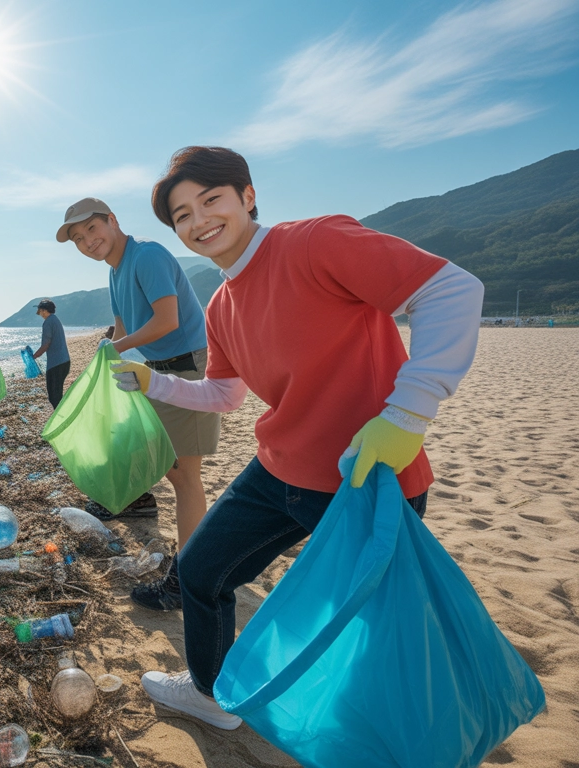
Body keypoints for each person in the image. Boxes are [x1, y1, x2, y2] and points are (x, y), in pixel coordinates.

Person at [110, 146, 482, 730]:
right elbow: (224, 396)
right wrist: (153, 383)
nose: (199, 220)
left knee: (372, 625)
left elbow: (451, 291)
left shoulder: (314, 242)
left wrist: (409, 414)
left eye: (211, 200)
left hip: (368, 475)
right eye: (182, 215)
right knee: (202, 572)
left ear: (247, 196)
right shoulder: (222, 305)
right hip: (279, 470)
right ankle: (211, 695)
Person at [58, 197, 219, 603]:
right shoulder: (115, 271)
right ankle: (144, 508)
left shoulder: (146, 255)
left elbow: (168, 321)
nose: (88, 241)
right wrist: (104, 357)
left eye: (92, 229)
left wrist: (112, 350)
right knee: (165, 464)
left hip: (187, 367)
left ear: (112, 221)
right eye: (78, 238)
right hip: (156, 370)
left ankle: (190, 578)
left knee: (186, 477)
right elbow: (122, 329)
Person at [28, 299, 71, 408]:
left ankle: (61, 419)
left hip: (56, 364)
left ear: (44, 310)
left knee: (54, 396)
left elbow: (46, 344)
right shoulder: (55, 320)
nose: (40, 313)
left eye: (40, 310)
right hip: (64, 361)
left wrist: (34, 356)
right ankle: (62, 416)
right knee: (57, 394)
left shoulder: (48, 322)